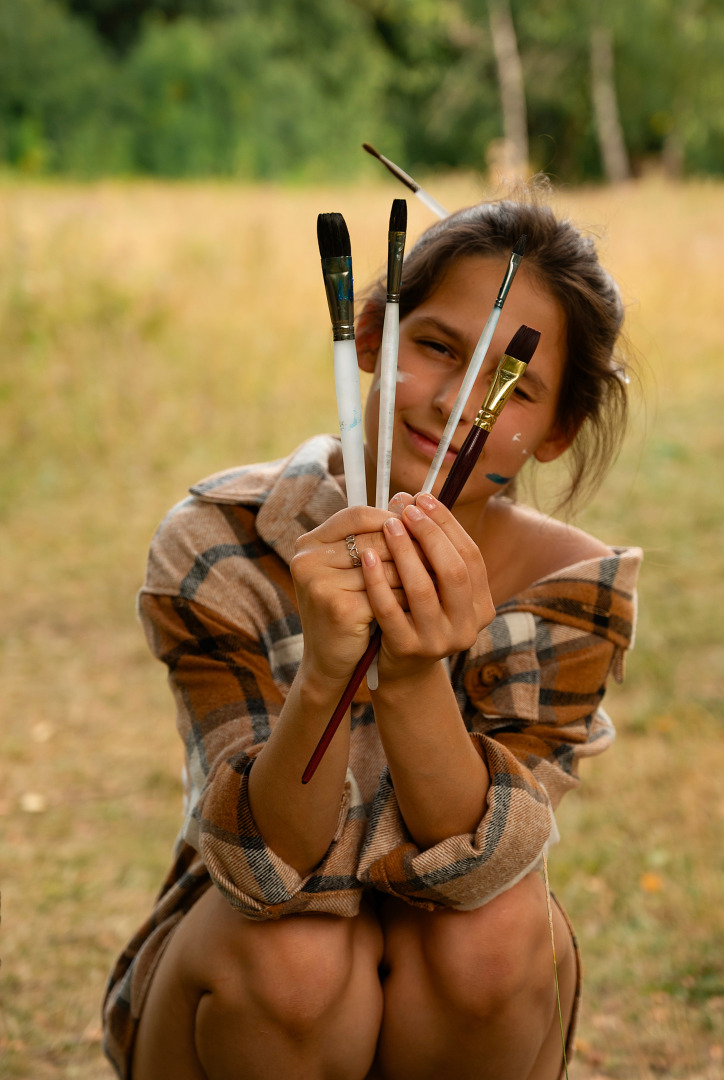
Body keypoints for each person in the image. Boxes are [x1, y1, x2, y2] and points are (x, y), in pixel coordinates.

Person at [103, 196, 642, 1080]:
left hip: (460, 972)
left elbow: (474, 871)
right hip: (247, 968)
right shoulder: (221, 541)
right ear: (367, 340)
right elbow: (269, 869)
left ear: (558, 432)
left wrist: (413, 667)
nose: (456, 402)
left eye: (514, 384)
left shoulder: (571, 592)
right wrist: (324, 674)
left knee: (496, 935)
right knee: (302, 958)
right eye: (435, 346)